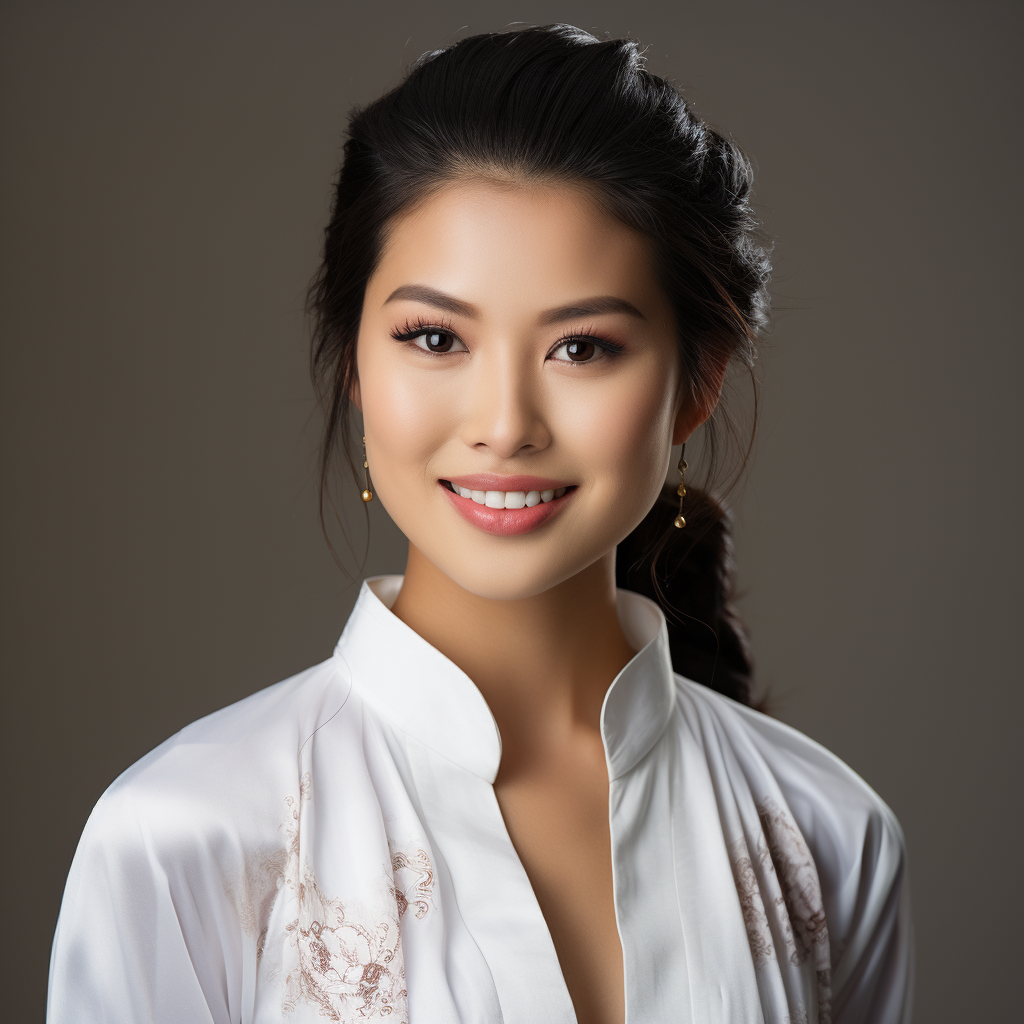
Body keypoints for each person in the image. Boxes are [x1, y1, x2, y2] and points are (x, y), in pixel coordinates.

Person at [47, 23, 914, 1024]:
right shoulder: (185, 839)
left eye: (583, 347)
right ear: (357, 364)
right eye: (433, 337)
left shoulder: (826, 839)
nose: (504, 424)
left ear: (696, 384)